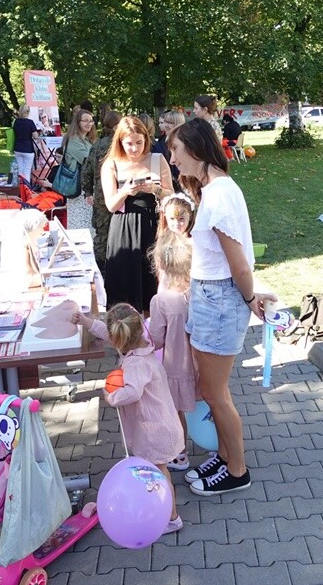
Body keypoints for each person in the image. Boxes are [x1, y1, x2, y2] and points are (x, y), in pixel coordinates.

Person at [167, 118, 276, 495]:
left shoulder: (220, 195)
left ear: (196, 149)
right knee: (212, 390)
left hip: (220, 300)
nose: (173, 158)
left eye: (176, 151)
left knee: (215, 394)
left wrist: (251, 298)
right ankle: (227, 454)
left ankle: (237, 469)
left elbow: (239, 263)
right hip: (210, 297)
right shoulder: (211, 190)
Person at [73, 303, 184, 534]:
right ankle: (159, 508)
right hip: (160, 421)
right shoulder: (142, 343)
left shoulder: (135, 363)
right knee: (156, 471)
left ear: (119, 340)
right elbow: (110, 333)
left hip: (156, 430)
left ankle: (171, 518)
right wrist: (86, 322)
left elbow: (133, 392)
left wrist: (111, 396)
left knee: (158, 474)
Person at [101, 116, 173, 310]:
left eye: (139, 143)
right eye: (129, 144)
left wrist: (154, 189)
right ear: (120, 142)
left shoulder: (157, 159)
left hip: (152, 225)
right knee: (124, 286)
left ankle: (154, 330)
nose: (134, 148)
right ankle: (125, 332)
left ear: (146, 139)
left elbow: (171, 195)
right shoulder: (111, 164)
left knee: (153, 282)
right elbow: (111, 205)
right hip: (123, 228)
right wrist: (126, 191)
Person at [148, 216, 197, 471]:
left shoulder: (162, 301)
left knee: (174, 411)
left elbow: (156, 338)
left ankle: (179, 454)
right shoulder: (196, 292)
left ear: (161, 263)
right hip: (200, 362)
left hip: (176, 367)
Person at [87, 108, 120, 269]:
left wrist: (87, 191)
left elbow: (86, 170)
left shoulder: (97, 145)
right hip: (118, 194)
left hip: (100, 195)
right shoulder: (119, 144)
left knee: (101, 234)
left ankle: (100, 268)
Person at [154, 110, 185, 189]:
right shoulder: (161, 141)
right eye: (166, 122)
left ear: (178, 124)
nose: (166, 125)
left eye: (171, 123)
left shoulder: (184, 144)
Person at [13, 110, 40, 186]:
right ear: (27, 113)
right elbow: (35, 136)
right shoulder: (30, 122)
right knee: (27, 171)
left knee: (20, 170)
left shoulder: (16, 122)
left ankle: (20, 187)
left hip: (17, 148)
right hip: (28, 148)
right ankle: (26, 188)